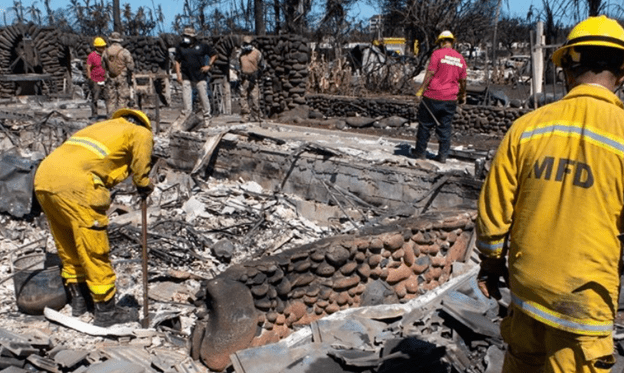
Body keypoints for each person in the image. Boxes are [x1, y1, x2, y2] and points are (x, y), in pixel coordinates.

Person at [475, 15, 624, 373]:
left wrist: (491, 263)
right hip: (583, 303)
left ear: (567, 69)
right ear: (621, 73)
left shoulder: (527, 128)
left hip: (527, 291)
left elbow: (494, 213)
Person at [34, 109, 154, 327]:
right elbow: (141, 164)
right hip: (76, 186)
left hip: (44, 179)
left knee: (68, 243)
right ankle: (106, 311)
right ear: (141, 123)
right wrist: (144, 184)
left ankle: (79, 301)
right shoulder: (139, 132)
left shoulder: (100, 128)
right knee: (93, 248)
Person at [412, 30, 467, 163]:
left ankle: (420, 153)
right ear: (452, 42)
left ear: (441, 42)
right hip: (450, 99)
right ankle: (442, 156)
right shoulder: (460, 58)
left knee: (425, 125)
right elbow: (463, 81)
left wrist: (420, 91)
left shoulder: (437, 54)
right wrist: (462, 95)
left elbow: (430, 73)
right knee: (445, 127)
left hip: (432, 96)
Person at [175, 27, 217, 126]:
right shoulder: (180, 47)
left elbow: (214, 54)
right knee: (186, 99)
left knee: (203, 97)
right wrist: (178, 75)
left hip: (200, 75)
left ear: (193, 37)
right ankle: (187, 119)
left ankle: (207, 118)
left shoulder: (202, 46)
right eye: (185, 36)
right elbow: (177, 61)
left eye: (188, 36)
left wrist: (209, 66)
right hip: (186, 76)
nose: (186, 38)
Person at [101, 32, 135, 115]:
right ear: (119, 41)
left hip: (110, 77)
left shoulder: (106, 52)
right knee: (122, 97)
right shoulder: (124, 52)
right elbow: (131, 66)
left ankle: (110, 115)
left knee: (110, 97)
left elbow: (103, 65)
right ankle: (120, 115)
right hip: (122, 77)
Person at [238, 35, 264, 122]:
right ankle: (245, 116)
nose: (247, 45)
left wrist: (257, 73)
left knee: (255, 97)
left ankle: (257, 115)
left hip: (254, 77)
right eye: (245, 43)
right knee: (243, 97)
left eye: (249, 43)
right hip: (244, 78)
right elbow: (239, 65)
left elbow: (262, 65)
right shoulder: (241, 54)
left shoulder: (257, 53)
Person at [86, 37, 106, 119]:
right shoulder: (92, 56)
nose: (103, 48)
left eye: (104, 46)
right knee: (95, 98)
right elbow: (88, 67)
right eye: (101, 47)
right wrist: (90, 78)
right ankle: (94, 114)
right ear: (97, 47)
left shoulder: (105, 55)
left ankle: (109, 114)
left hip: (105, 79)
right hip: (95, 80)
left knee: (108, 97)